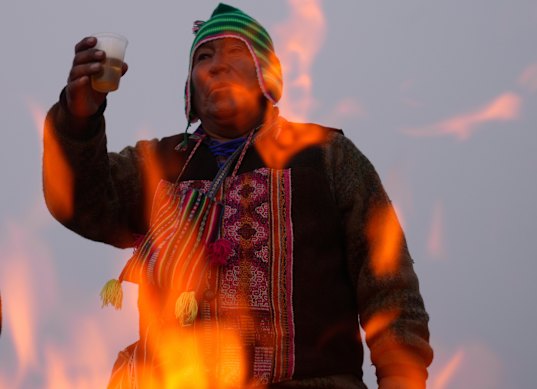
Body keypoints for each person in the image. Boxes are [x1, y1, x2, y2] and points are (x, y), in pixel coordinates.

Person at [43, 3, 432, 388]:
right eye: (204, 56)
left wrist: (401, 375)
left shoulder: (326, 156)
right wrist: (79, 117)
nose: (217, 65)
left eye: (236, 52)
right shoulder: (157, 164)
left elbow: (387, 279)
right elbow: (82, 202)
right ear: (191, 88)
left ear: (266, 74)